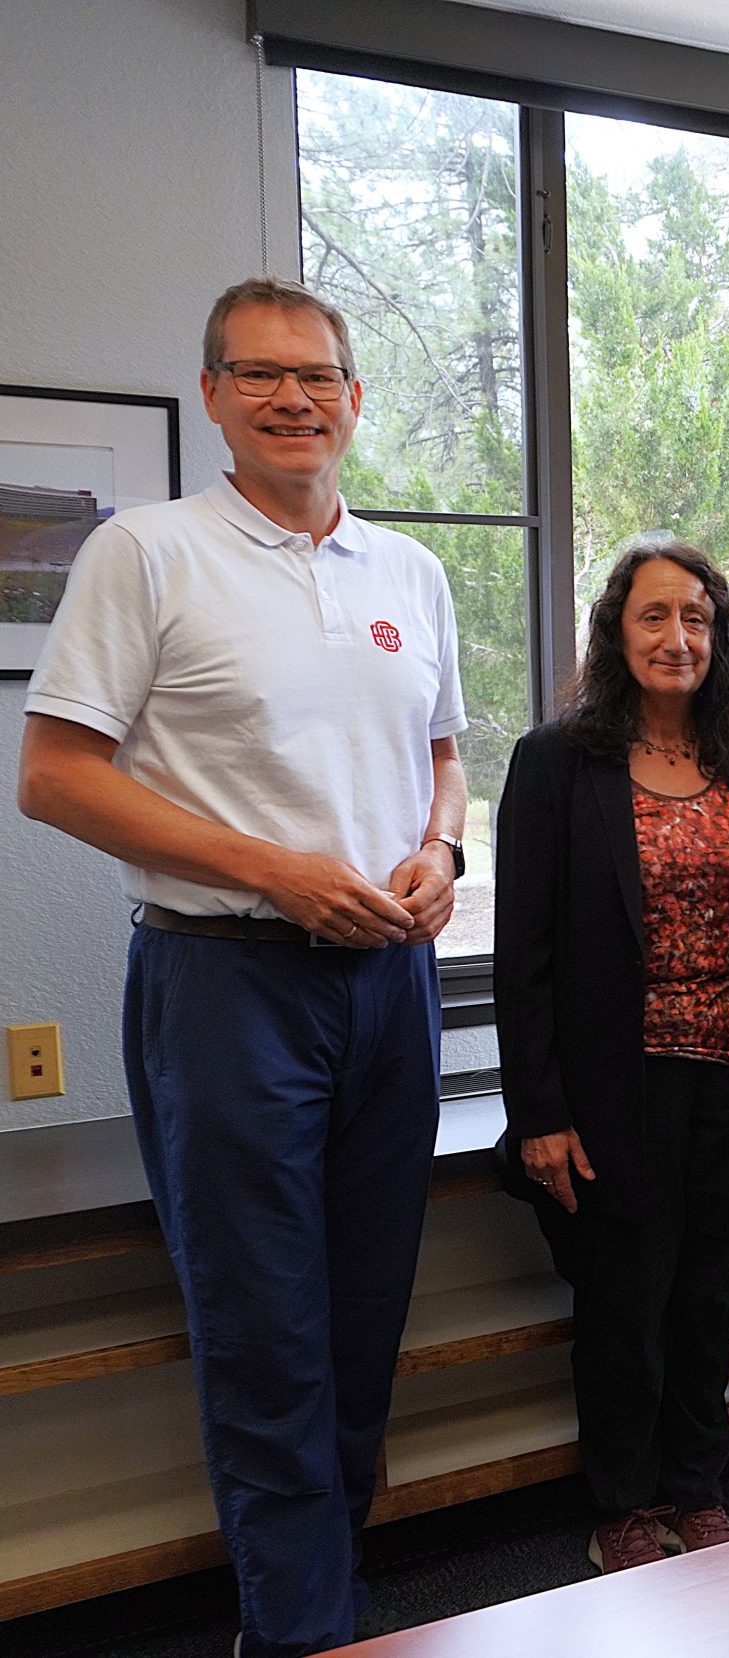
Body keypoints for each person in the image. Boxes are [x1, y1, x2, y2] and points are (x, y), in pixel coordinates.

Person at [15, 278, 464, 1657]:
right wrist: (274, 871)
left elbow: (444, 755)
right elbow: (55, 777)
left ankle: (330, 1583)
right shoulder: (148, 553)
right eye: (259, 374)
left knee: (366, 1304)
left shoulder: (410, 572)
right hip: (226, 985)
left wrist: (444, 854)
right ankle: (300, 1628)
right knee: (265, 1324)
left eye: (317, 376)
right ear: (212, 392)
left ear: (354, 399)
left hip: (392, 988)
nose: (292, 398)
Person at [493, 535, 729, 1573]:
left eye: (697, 618)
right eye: (654, 616)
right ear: (615, 629)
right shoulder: (557, 761)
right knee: (623, 1303)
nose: (677, 637)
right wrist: (538, 1108)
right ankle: (625, 1501)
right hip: (610, 1088)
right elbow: (524, 950)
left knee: (710, 1294)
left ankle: (697, 1482)